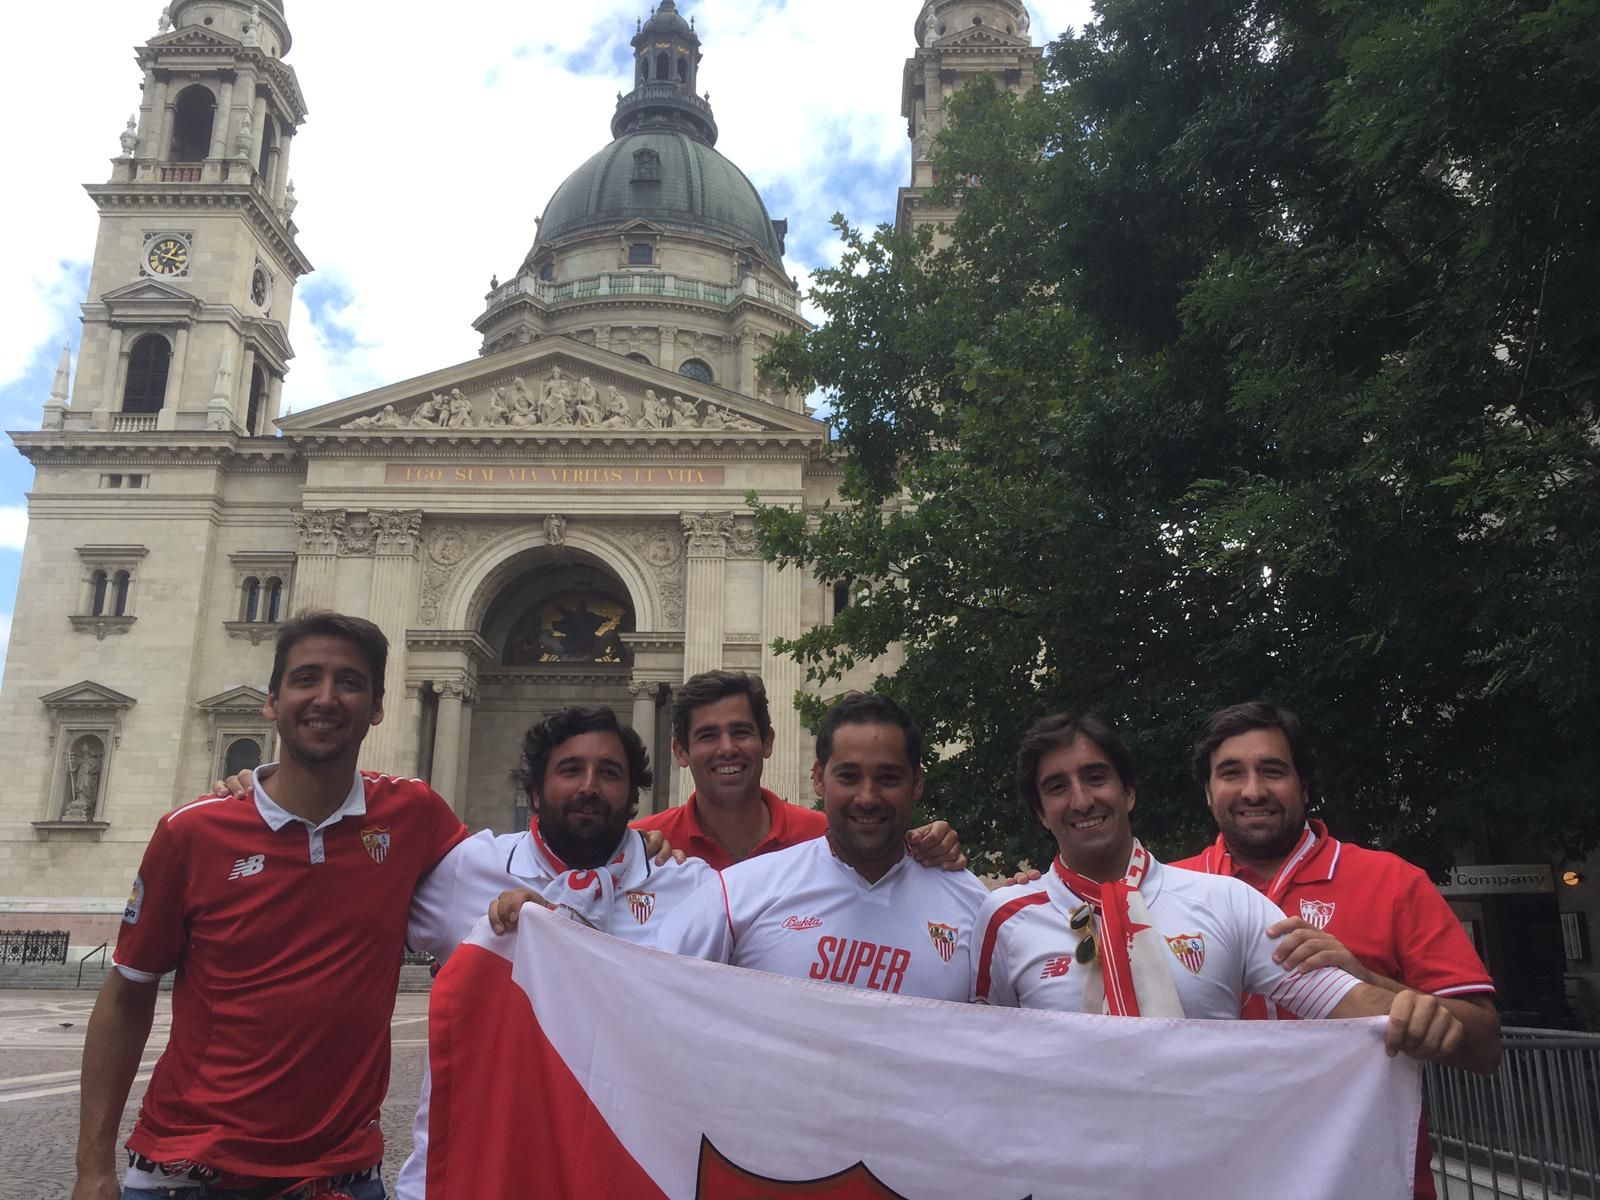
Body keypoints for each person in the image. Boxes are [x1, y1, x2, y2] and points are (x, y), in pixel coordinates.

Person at [73, 613, 468, 1200]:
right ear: (272, 702)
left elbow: (505, 880)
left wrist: (606, 864)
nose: (326, 698)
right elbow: (127, 993)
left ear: (379, 707)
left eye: (350, 682)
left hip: (342, 1177)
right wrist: (93, 1168)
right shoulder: (192, 833)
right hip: (188, 1174)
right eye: (306, 678)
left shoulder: (413, 815)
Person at [973, 713, 1470, 1065]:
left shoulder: (1226, 898)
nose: (1082, 800)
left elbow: (1349, 1003)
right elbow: (977, 1058)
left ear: (1129, 793)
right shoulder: (1003, 917)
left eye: (1096, 777)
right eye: (1057, 787)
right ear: (1040, 813)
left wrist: (1415, 1013)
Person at [1173, 700, 1500, 1198]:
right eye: (1231, 773)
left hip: (1371, 1183)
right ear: (1208, 791)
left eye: (1273, 771)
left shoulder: (1393, 882)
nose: (1253, 790)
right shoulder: (1164, 893)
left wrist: (1367, 983)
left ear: (1304, 786)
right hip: (1213, 1183)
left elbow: (1485, 1046)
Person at [396, 705, 713, 1199]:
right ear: (535, 791)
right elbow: (359, 931)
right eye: (570, 770)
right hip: (479, 1172)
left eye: (609, 773)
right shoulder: (467, 869)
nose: (589, 786)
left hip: (620, 1175)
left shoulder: (691, 889)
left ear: (634, 796)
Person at [653, 693, 989, 1000]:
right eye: (848, 777)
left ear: (916, 784)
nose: (867, 797)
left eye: (888, 778)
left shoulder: (973, 906)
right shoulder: (735, 895)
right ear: (818, 778)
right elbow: (651, 993)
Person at [630, 670, 964, 872]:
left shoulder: (830, 837)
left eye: (741, 732)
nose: (727, 748)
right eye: (708, 736)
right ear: (681, 752)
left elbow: (888, 860)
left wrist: (927, 845)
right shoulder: (641, 846)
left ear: (767, 742)